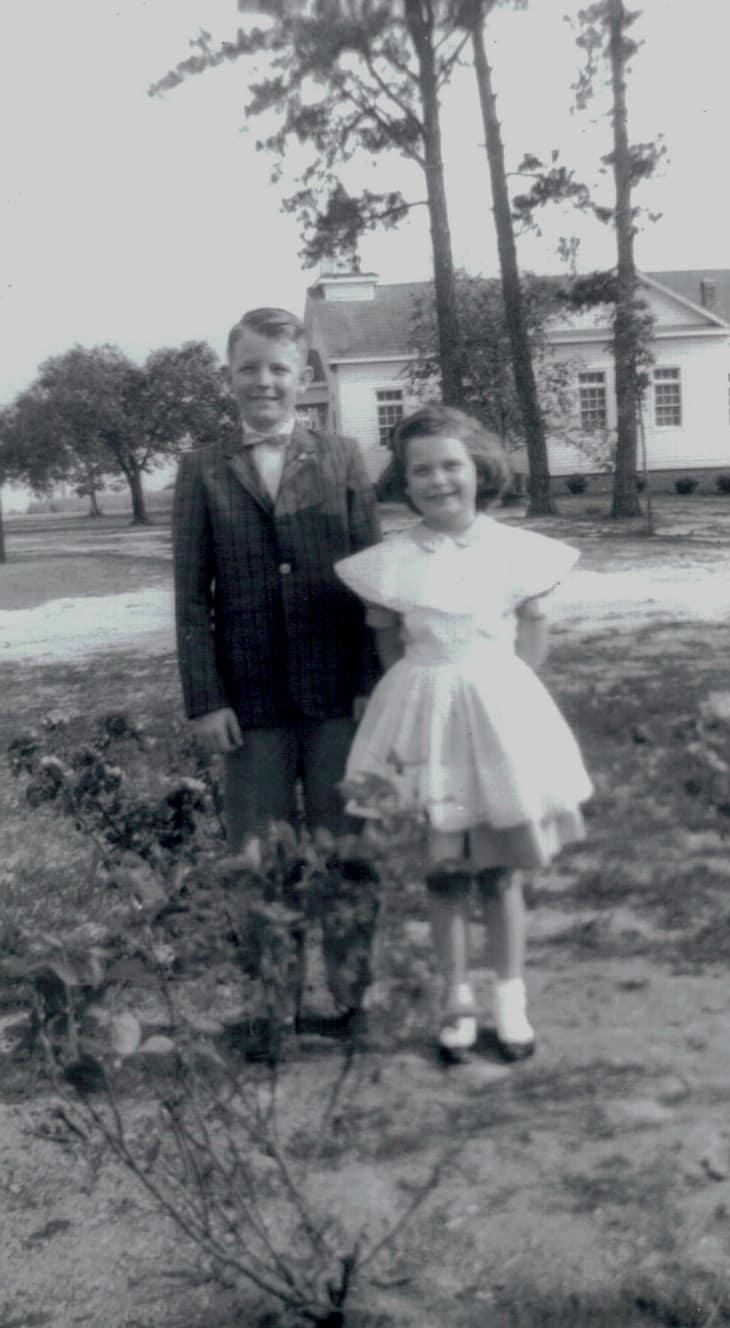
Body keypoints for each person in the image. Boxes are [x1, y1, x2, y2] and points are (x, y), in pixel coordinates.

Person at [334, 405, 592, 1062]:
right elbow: (391, 648)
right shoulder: (389, 564)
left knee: (500, 873)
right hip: (424, 727)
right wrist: (427, 701)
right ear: (405, 480)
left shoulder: (515, 552)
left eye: (451, 465)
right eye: (422, 470)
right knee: (445, 872)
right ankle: (455, 998)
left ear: (478, 469)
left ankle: (510, 996)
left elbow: (533, 641)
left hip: (499, 722)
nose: (439, 480)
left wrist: (497, 697)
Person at [172, 306, 381, 1028]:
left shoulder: (344, 457)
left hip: (336, 697)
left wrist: (369, 686)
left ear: (305, 377)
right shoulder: (203, 469)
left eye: (279, 368)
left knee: (343, 845)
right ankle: (271, 1011)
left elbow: (373, 582)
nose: (264, 381)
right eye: (249, 368)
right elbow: (191, 597)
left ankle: (352, 1001)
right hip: (249, 700)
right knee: (258, 855)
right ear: (229, 377)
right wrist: (205, 698)